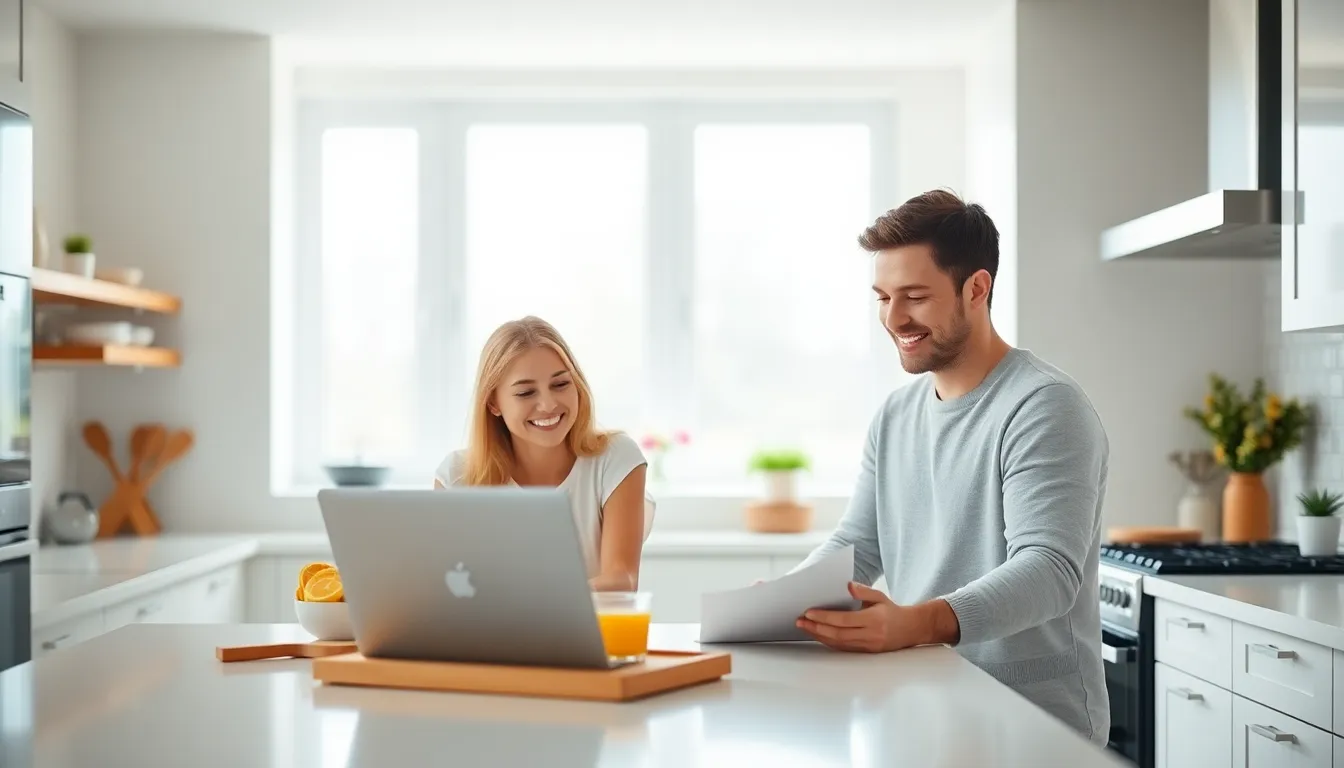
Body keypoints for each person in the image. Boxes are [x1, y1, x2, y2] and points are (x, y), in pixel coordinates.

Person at [791, 189, 1110, 746]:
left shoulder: (1044, 405)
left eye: (914, 296)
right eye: (882, 297)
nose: (894, 318)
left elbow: (1048, 570)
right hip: (926, 705)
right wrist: (785, 601)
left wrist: (917, 623)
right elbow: (860, 543)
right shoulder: (895, 414)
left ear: (976, 289)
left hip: (1032, 726)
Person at [433, 315, 655, 592]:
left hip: (589, 635)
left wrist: (523, 601)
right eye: (526, 392)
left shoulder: (616, 459)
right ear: (493, 403)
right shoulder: (457, 477)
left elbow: (621, 579)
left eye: (561, 384)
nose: (548, 404)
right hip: (489, 636)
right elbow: (446, 591)